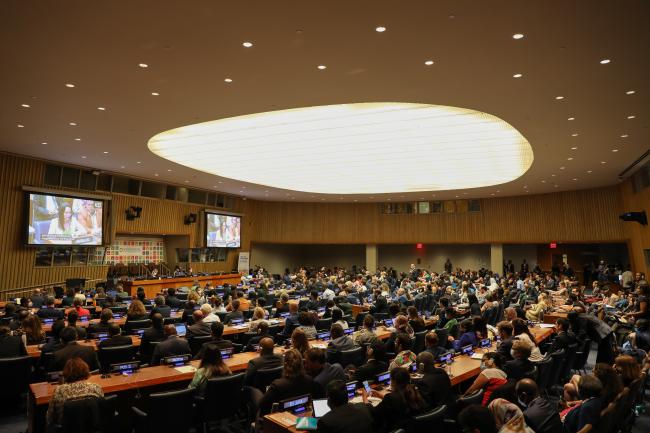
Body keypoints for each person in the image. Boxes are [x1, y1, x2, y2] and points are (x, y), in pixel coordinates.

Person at [258, 348, 324, 415]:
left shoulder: (277, 385)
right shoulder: (310, 380)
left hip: (280, 421)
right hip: (303, 418)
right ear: (301, 364)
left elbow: (261, 404)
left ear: (285, 364)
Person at [46, 358, 104, 427]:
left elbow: (49, 418)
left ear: (66, 373)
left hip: (67, 429)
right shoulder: (96, 387)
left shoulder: (59, 390)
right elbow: (102, 411)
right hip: (91, 427)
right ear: (86, 371)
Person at [366, 367, 426, 433]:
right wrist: (381, 395)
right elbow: (399, 400)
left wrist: (365, 400)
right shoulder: (414, 389)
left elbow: (373, 413)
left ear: (393, 381)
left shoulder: (391, 398)